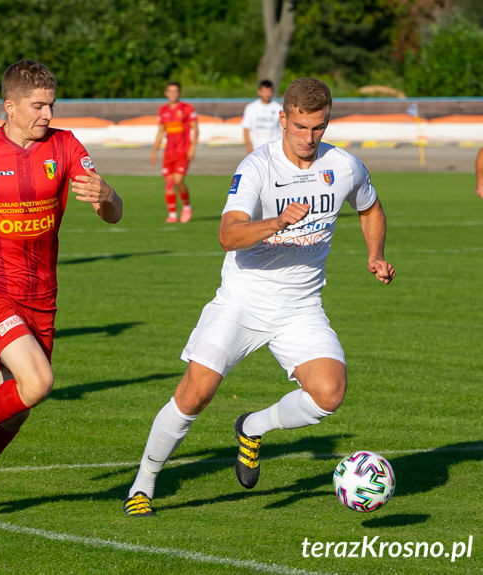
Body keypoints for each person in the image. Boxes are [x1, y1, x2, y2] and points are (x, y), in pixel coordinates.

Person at [123, 78, 395, 517]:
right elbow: (227, 234)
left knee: (329, 393)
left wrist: (375, 255)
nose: (310, 138)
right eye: (301, 127)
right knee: (195, 395)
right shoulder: (256, 167)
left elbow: (370, 208)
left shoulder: (344, 165)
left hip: (301, 308)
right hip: (242, 302)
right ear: (283, 119)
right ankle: (143, 484)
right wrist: (275, 223)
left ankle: (252, 427)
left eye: (319, 128)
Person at [0, 60, 123, 517]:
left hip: (43, 296)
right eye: (38, 105)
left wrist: (108, 195)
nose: (47, 113)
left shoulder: (66, 146)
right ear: (9, 107)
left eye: (51, 104)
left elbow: (113, 214)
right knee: (39, 382)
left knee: (21, 405)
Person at [150, 81, 198, 223]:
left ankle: (186, 206)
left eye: (175, 91)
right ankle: (172, 214)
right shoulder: (163, 110)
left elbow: (195, 129)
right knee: (169, 184)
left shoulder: (187, 108)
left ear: (179, 93)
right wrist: (154, 151)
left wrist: (192, 148)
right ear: (166, 93)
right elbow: (160, 132)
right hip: (169, 153)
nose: (173, 94)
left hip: (183, 152)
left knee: (178, 181)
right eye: (170, 91)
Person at [242, 79, 283, 154]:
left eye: (269, 91)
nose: (267, 94)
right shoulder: (251, 108)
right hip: (257, 149)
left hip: (275, 149)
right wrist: (249, 148)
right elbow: (246, 129)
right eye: (265, 91)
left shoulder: (278, 108)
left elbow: (284, 129)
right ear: (259, 92)